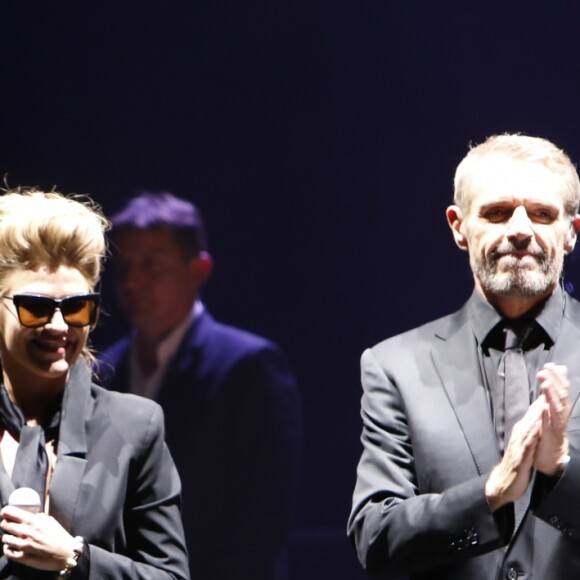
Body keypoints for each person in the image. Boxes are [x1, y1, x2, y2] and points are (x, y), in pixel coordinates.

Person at [347, 134, 580, 579]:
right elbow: (374, 535)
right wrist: (490, 493)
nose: (519, 229)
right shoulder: (395, 366)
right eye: (496, 212)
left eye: (541, 214)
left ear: (571, 232)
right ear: (458, 226)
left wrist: (562, 471)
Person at [97, 192, 302, 580]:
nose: (133, 281)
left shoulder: (249, 366)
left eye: (152, 265)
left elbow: (264, 518)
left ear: (199, 270)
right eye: (124, 267)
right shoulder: (103, 369)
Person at [0, 188, 189, 579]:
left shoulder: (134, 425)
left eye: (76, 308)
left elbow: (170, 576)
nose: (58, 326)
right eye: (35, 308)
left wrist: (74, 558)